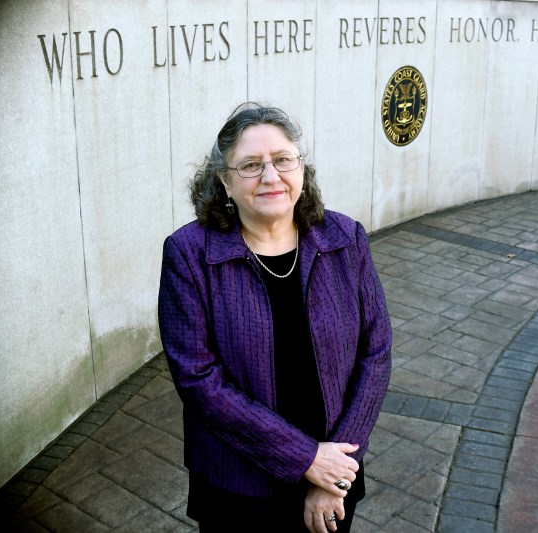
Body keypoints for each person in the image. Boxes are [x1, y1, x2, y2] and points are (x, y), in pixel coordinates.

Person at [157, 102, 392, 532]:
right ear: (224, 182)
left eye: (282, 160)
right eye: (250, 165)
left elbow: (375, 354)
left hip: (335, 479)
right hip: (239, 488)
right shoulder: (190, 255)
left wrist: (336, 471)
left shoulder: (345, 239)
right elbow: (198, 380)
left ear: (301, 169)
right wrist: (306, 459)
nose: (270, 175)